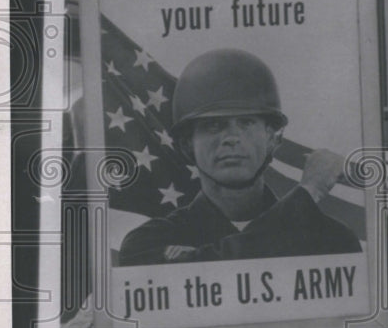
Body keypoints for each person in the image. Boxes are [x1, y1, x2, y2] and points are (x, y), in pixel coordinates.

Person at [119, 48, 361, 266]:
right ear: (186, 145)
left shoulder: (332, 240)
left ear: (273, 140)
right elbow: (230, 266)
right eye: (213, 125)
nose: (231, 137)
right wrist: (309, 193)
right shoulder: (146, 244)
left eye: (246, 122)